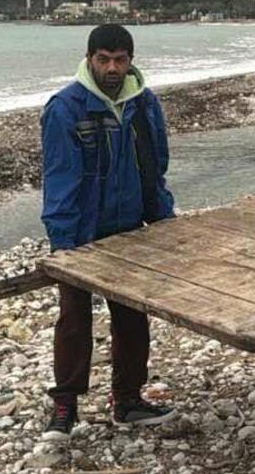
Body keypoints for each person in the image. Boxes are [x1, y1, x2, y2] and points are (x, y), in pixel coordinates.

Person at [40, 24, 177, 439]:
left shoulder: (144, 104)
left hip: (131, 229)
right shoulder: (66, 108)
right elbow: (60, 179)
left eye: (120, 59)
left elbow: (155, 168)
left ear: (131, 61)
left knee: (132, 318)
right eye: (104, 59)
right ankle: (65, 406)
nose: (112, 68)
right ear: (89, 59)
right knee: (74, 321)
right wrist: (63, 246)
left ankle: (128, 401)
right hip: (81, 234)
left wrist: (164, 223)